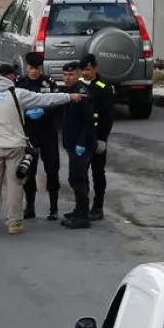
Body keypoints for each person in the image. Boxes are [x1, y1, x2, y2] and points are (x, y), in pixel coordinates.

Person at [0, 63, 79, 235]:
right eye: (14, 76)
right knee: (15, 184)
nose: (15, 79)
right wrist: (70, 96)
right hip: (15, 146)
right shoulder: (18, 94)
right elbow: (45, 99)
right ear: (9, 77)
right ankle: (13, 223)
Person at [16, 52, 63, 221]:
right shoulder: (20, 83)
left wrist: (44, 110)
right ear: (26, 67)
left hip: (47, 132)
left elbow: (57, 103)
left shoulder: (49, 83)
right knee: (29, 169)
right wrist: (27, 113)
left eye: (37, 69)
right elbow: (15, 104)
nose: (34, 72)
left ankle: (54, 208)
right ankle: (30, 207)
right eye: (31, 68)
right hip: (29, 133)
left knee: (52, 169)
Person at [57, 61, 99, 229]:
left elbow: (88, 122)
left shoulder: (81, 93)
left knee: (78, 178)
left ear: (78, 75)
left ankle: (82, 216)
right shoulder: (70, 91)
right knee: (76, 178)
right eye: (65, 75)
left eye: (71, 75)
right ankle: (80, 209)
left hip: (81, 144)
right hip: (72, 142)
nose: (67, 78)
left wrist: (81, 143)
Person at [80, 54, 115, 221]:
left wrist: (103, 139)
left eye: (87, 69)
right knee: (80, 173)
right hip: (82, 138)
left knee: (98, 173)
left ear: (95, 68)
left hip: (96, 137)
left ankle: (98, 206)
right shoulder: (78, 86)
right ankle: (82, 205)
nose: (85, 73)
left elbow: (107, 117)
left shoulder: (103, 88)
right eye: (83, 69)